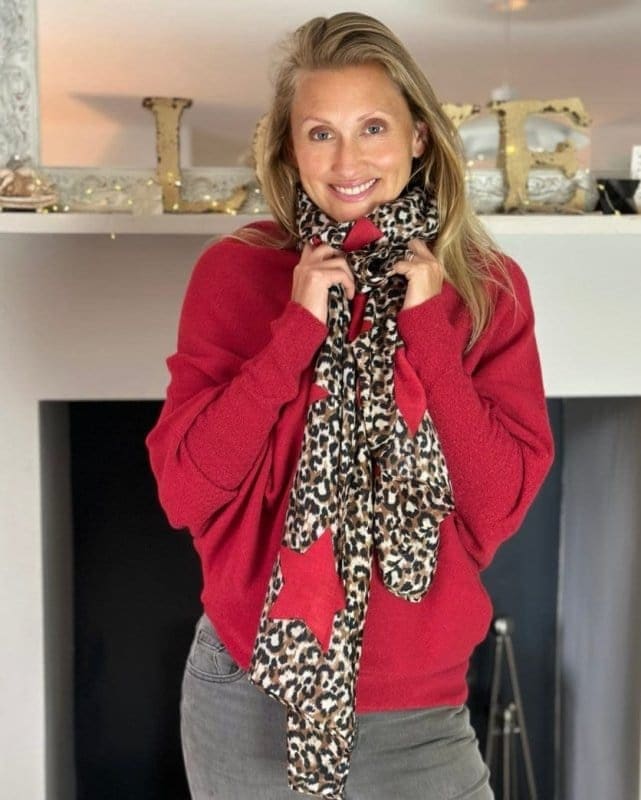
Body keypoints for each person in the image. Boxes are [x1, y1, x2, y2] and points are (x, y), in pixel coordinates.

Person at [145, 12, 555, 800]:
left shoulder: (487, 288)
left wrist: (427, 331)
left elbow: (498, 503)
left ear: (417, 137)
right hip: (249, 693)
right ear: (289, 150)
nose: (346, 161)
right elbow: (185, 489)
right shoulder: (234, 272)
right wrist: (295, 332)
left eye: (372, 127)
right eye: (319, 133)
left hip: (420, 711)